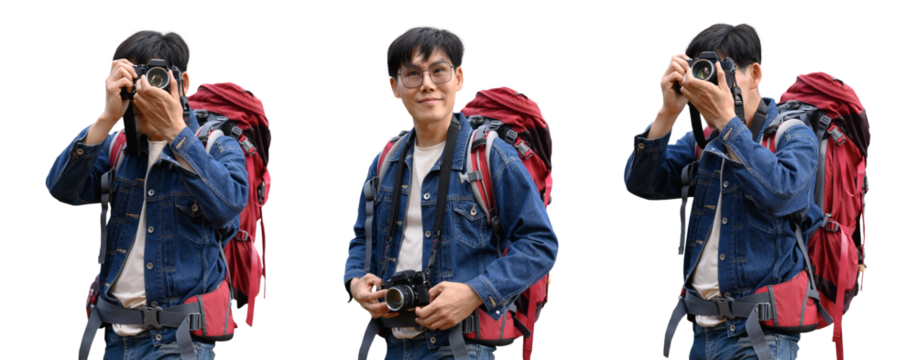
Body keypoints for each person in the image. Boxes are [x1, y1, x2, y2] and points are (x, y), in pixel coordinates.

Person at [343, 24, 560, 359]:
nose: (427, 84)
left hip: (462, 347)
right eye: (412, 74)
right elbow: (361, 236)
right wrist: (356, 282)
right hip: (395, 342)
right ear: (394, 87)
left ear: (459, 78)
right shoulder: (384, 159)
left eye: (438, 71)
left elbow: (541, 242)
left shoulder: (490, 154)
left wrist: (475, 293)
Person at [45, 27, 248, 359]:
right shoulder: (117, 147)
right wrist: (107, 116)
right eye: (135, 77)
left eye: (156, 77)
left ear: (183, 83)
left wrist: (175, 132)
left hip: (180, 342)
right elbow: (61, 190)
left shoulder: (216, 146)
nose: (144, 89)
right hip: (115, 338)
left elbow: (228, 208)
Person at [622, 23, 821, 359]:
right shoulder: (704, 141)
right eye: (703, 73)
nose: (711, 85)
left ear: (756, 73)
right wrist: (667, 113)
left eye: (720, 72)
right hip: (701, 335)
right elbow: (641, 184)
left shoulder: (792, 135)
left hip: (761, 338)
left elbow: (782, 194)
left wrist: (730, 126)